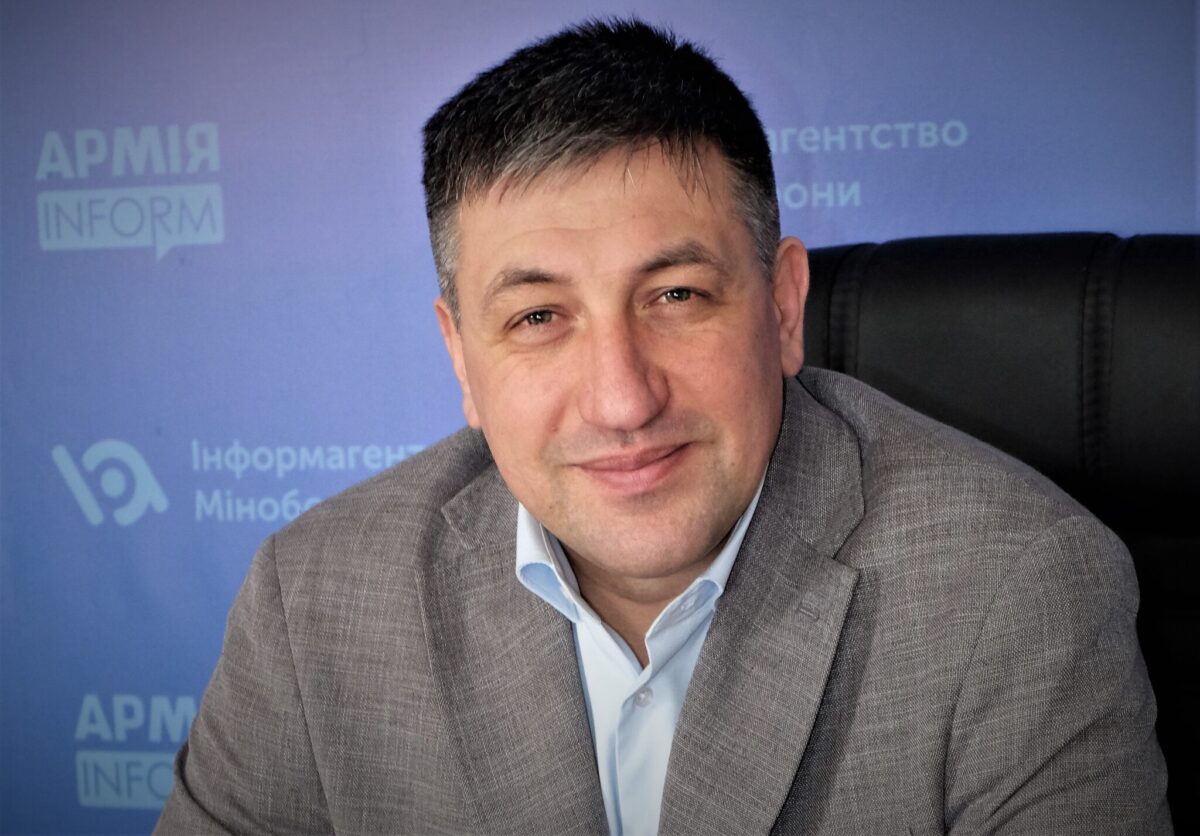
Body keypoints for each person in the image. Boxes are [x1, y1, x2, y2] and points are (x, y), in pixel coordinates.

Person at [157, 18, 1170, 835]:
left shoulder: (1011, 588)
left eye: (677, 295)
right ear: (461, 357)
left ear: (782, 307)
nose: (622, 399)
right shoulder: (315, 601)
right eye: (538, 317)